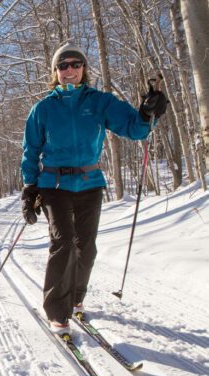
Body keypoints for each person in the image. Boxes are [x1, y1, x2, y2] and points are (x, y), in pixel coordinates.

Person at [20, 43, 167, 335]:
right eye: (63, 66)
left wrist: (150, 112)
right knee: (63, 243)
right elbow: (30, 151)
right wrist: (29, 187)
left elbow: (136, 129)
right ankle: (57, 311)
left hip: (90, 184)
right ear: (55, 72)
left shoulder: (100, 102)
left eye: (75, 64)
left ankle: (75, 299)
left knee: (85, 248)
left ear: (84, 69)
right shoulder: (43, 109)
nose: (69, 70)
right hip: (54, 185)